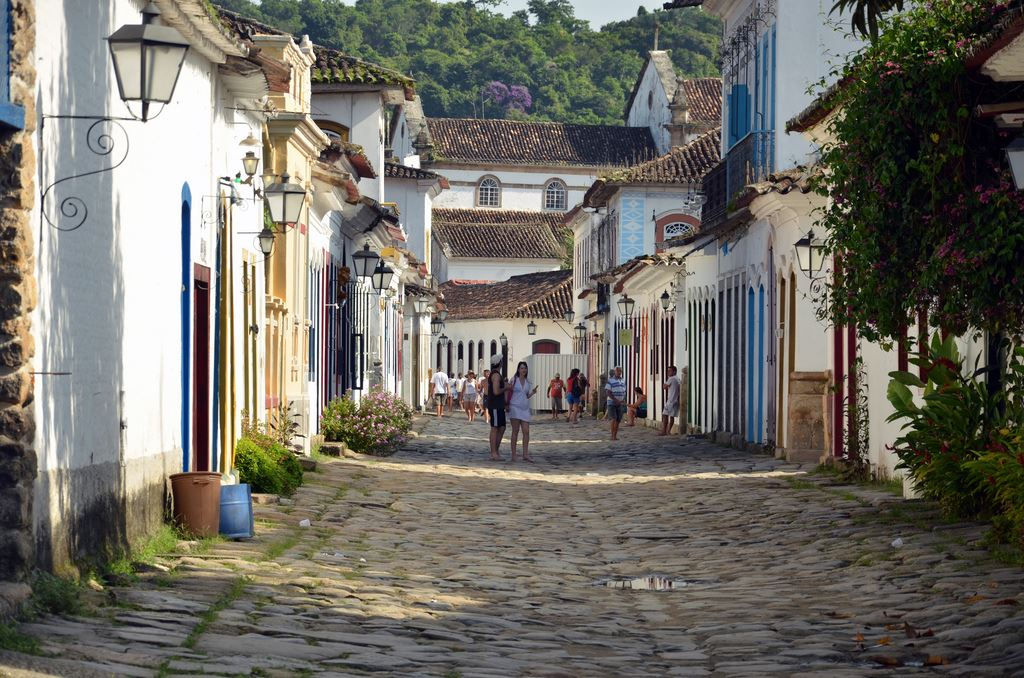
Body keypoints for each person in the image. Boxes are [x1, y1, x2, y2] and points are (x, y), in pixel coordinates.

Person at [508, 361, 539, 462]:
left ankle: (525, 454)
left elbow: (525, 395)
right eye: (521, 368)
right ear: (518, 369)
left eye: (525, 368)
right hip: (515, 407)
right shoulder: (513, 380)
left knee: (526, 431)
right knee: (515, 431)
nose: (524, 370)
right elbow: (508, 392)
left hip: (525, 408)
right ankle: (513, 454)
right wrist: (506, 404)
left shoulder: (528, 381)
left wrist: (532, 393)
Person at [485, 355, 507, 461]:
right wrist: (506, 387)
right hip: (495, 405)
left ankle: (495, 450)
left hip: (499, 405)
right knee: (495, 428)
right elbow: (496, 391)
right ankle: (493, 452)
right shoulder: (496, 376)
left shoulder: (496, 375)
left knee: (502, 427)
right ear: (500, 363)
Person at [605, 366, 627, 441]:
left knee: (618, 420)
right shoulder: (610, 380)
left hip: (620, 403)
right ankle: (612, 436)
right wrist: (615, 399)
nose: (619, 372)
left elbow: (624, 390)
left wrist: (622, 399)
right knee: (613, 419)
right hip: (611, 402)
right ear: (615, 372)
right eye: (617, 371)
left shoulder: (623, 380)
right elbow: (608, 392)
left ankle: (615, 435)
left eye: (620, 371)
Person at [660, 365, 681, 436]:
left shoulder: (671, 378)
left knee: (665, 415)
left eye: (670, 371)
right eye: (668, 371)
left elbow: (664, 387)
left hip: (670, 401)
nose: (668, 372)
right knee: (671, 416)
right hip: (675, 400)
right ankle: (668, 431)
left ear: (674, 371)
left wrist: (664, 384)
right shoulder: (678, 379)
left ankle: (664, 431)